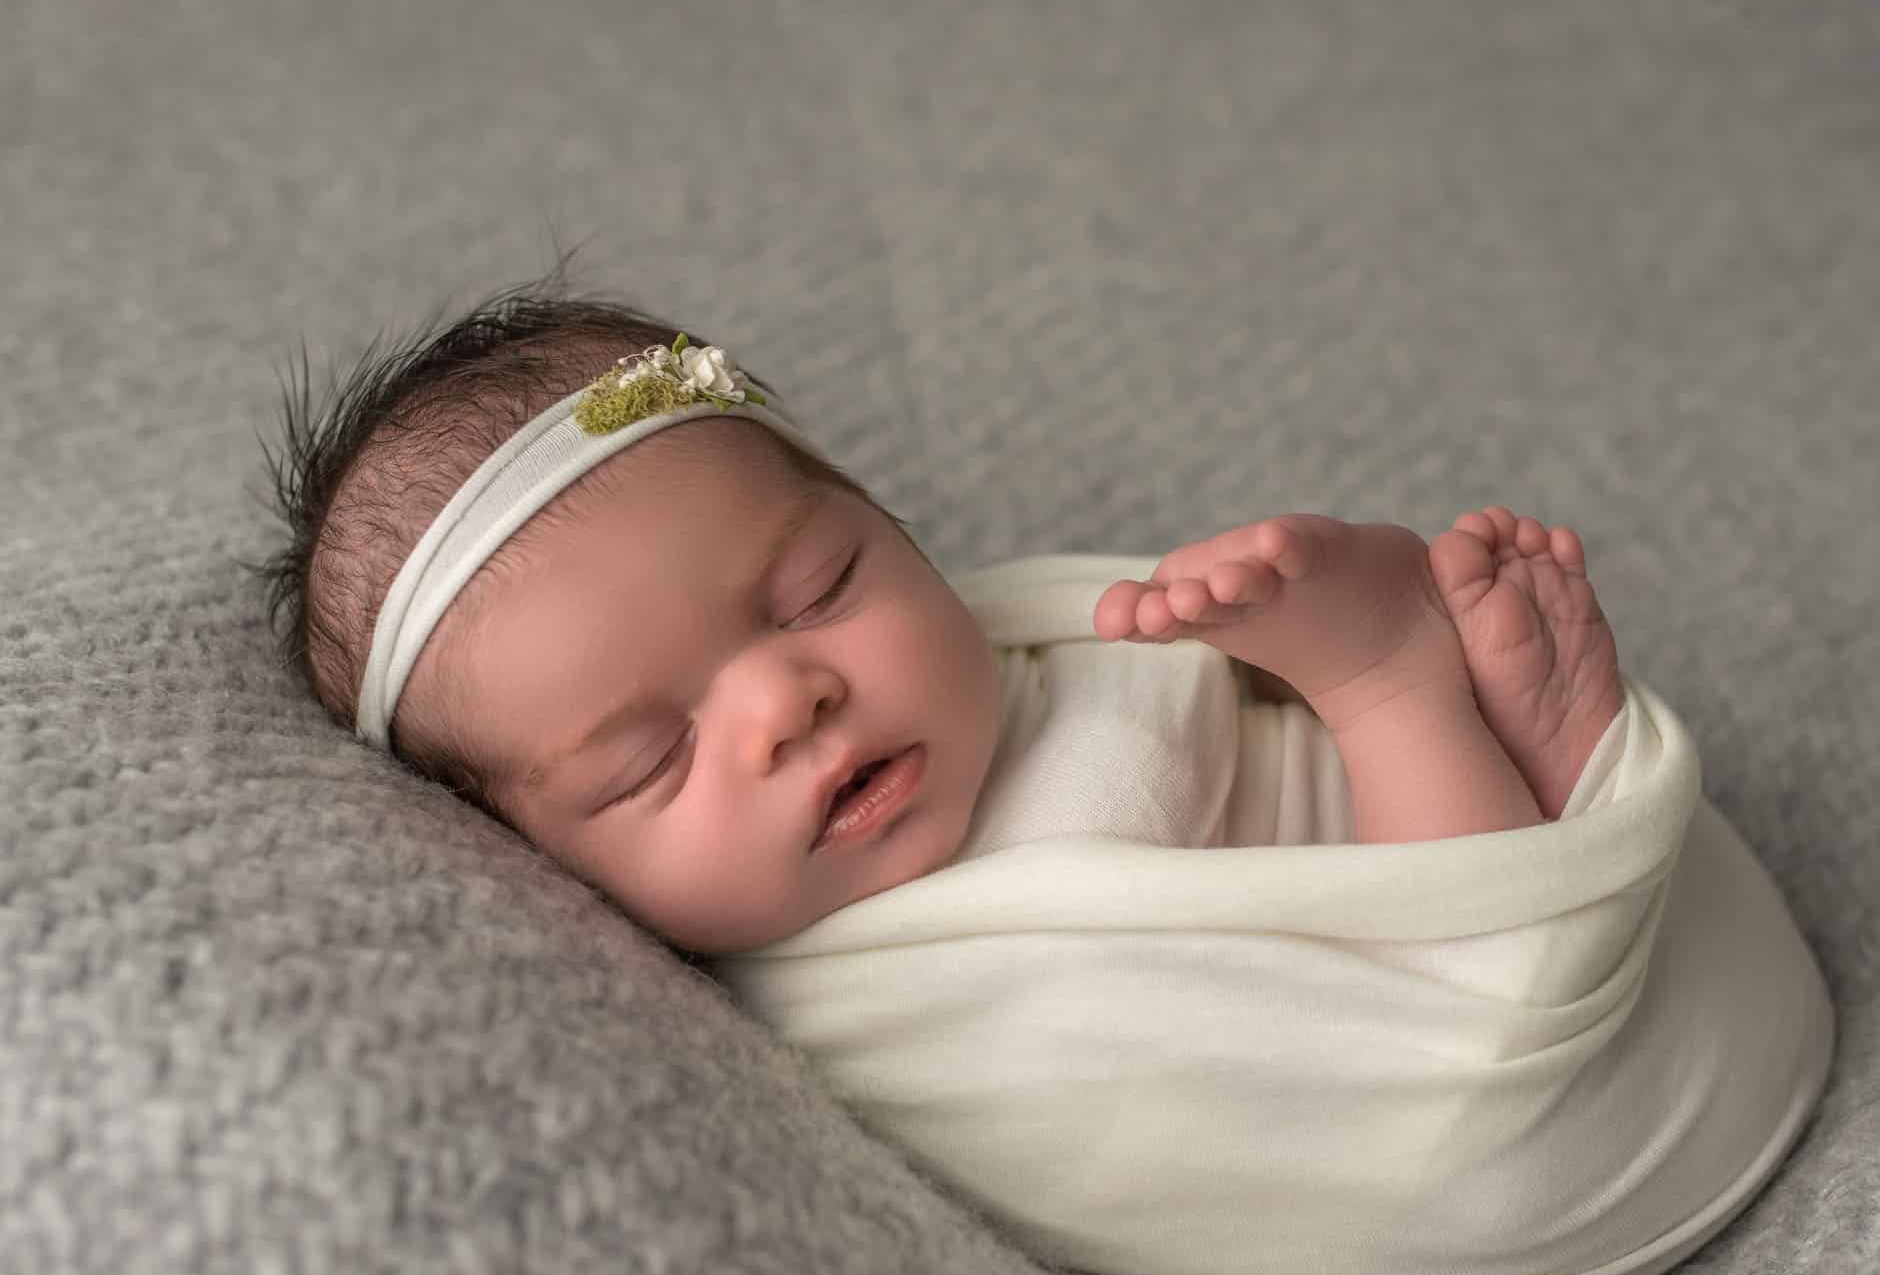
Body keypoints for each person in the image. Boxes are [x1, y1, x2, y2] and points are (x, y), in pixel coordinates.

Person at [253, 271, 1624, 958]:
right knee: (1474, 976)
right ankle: (1411, 692)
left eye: (822, 589)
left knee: (1344, 758)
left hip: (1407, 857)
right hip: (1451, 1026)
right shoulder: (891, 1000)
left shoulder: (1049, 677)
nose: (786, 702)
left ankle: (1423, 714)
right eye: (650, 761)